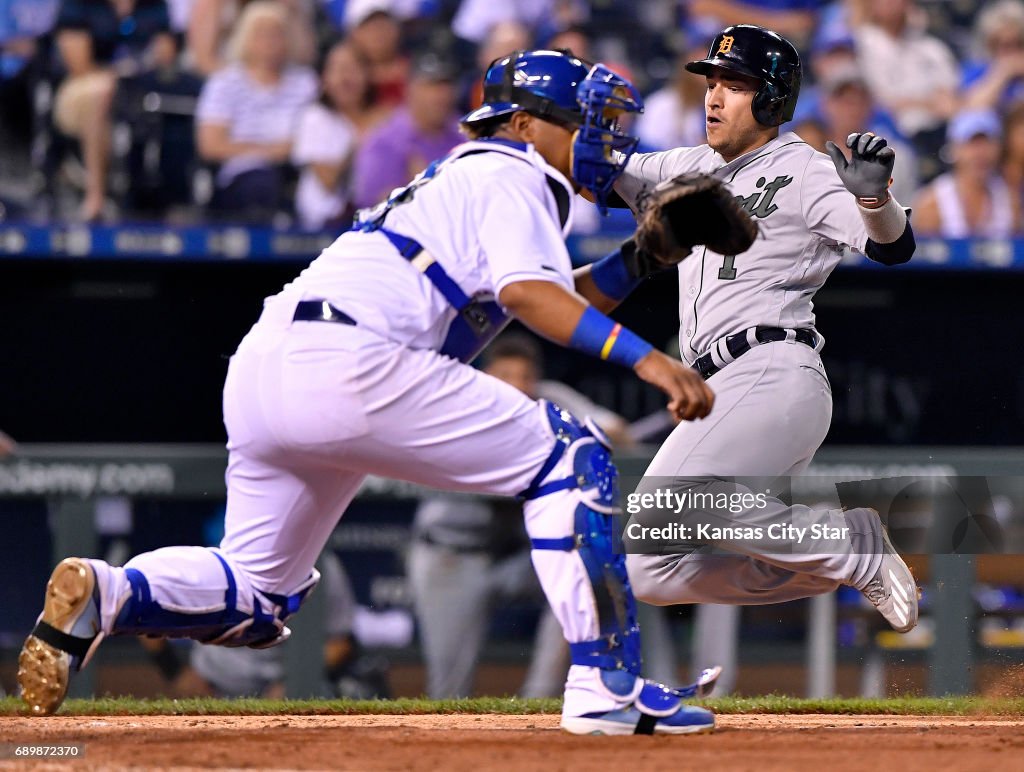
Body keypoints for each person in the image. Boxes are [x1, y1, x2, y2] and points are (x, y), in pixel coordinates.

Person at [18, 49, 722, 735]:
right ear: (523, 124)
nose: (601, 139)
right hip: (348, 362)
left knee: (259, 596)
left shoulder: (473, 175)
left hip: (270, 363)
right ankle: (606, 686)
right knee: (571, 457)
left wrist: (641, 258)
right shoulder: (516, 172)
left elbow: (536, 295)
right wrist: (647, 362)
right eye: (585, 121)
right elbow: (529, 295)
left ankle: (108, 593)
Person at [606, 26, 921, 639]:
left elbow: (894, 248)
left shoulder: (804, 170)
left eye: (736, 84)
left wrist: (876, 199)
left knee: (665, 509)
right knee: (652, 567)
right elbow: (602, 174)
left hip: (771, 370)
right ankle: (838, 556)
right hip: (719, 390)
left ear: (773, 98)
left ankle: (845, 546)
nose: (714, 97)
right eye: (712, 81)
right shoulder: (687, 164)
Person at [408, 333, 632, 700]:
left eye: (525, 376)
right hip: (451, 557)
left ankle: (537, 700)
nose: (517, 384)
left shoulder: (546, 401)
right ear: (487, 375)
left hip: (512, 557)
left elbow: (616, 429)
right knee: (448, 691)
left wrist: (576, 437)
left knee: (580, 571)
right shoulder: (462, 403)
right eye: (506, 374)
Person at [52, 0, 175, 221]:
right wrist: (118, 73)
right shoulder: (78, 5)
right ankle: (95, 197)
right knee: (99, 93)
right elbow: (79, 64)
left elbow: (165, 55)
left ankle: (169, 195)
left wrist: (136, 70)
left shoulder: (154, 5)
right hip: (81, 86)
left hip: (139, 87)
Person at [195, 0, 317, 219]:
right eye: (261, 33)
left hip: (297, 171)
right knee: (261, 183)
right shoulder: (225, 82)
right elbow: (211, 145)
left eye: (276, 33)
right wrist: (271, 152)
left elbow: (318, 133)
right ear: (245, 38)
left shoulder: (305, 83)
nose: (269, 41)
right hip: (242, 176)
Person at [852, 0, 959, 179]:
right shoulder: (861, 43)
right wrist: (926, 102)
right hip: (887, 131)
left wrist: (911, 102)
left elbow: (949, 103)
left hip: (935, 133)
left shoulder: (930, 47)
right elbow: (871, 99)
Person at [292, 40, 388, 230]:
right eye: (338, 70)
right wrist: (363, 141)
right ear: (324, 79)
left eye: (353, 69)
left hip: (375, 217)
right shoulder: (315, 117)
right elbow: (328, 181)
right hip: (323, 222)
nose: (345, 78)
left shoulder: (385, 118)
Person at [351, 51, 464, 210]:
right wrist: (422, 188)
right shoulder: (384, 142)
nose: (440, 95)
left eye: (445, 85)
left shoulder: (464, 135)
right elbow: (372, 205)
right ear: (410, 89)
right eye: (431, 86)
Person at [911, 109, 1018, 238]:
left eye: (987, 143)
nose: (980, 153)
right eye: (972, 144)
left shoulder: (1010, 201)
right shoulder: (932, 203)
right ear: (954, 149)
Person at [961, 0, 1024, 112]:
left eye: (1018, 43)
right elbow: (971, 109)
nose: (1012, 51)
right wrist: (1003, 74)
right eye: (1005, 45)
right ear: (990, 45)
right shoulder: (977, 69)